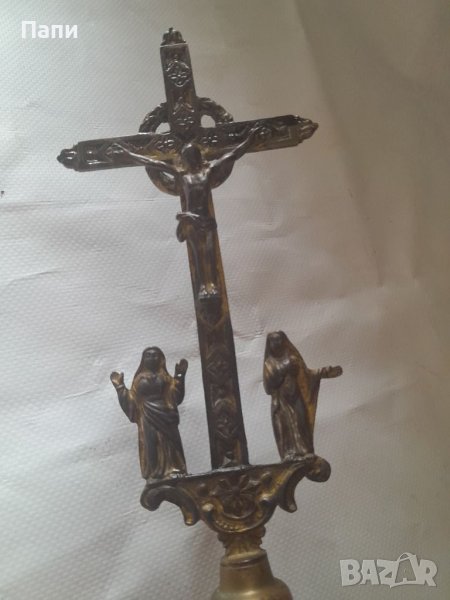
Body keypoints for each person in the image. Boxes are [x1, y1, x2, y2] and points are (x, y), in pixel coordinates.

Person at [107, 125, 263, 298]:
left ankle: (212, 285)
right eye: (188, 156)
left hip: (206, 220)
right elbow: (152, 162)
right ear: (184, 159)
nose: (191, 158)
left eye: (193, 155)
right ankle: (203, 286)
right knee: (198, 255)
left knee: (209, 254)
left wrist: (250, 139)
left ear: (198, 157)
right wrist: (128, 154)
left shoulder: (207, 172)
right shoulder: (181, 175)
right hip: (191, 221)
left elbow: (232, 155)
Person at [111, 347, 188, 480]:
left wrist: (180, 376)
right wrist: (120, 387)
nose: (152, 358)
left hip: (166, 413)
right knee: (150, 442)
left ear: (161, 359)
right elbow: (132, 401)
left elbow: (176, 396)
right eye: (148, 355)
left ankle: (174, 468)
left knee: (169, 442)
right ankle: (155, 472)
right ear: (143, 359)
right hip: (146, 414)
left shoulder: (166, 378)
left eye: (155, 355)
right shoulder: (139, 379)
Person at [263, 331, 342, 461]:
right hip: (281, 403)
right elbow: (268, 386)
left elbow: (306, 375)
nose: (277, 343)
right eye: (273, 341)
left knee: (300, 423)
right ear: (269, 344)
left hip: (295, 398)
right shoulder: (269, 363)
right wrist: (284, 368)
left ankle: (305, 452)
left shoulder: (293, 358)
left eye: (279, 340)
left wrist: (324, 372)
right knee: (285, 428)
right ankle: (289, 454)